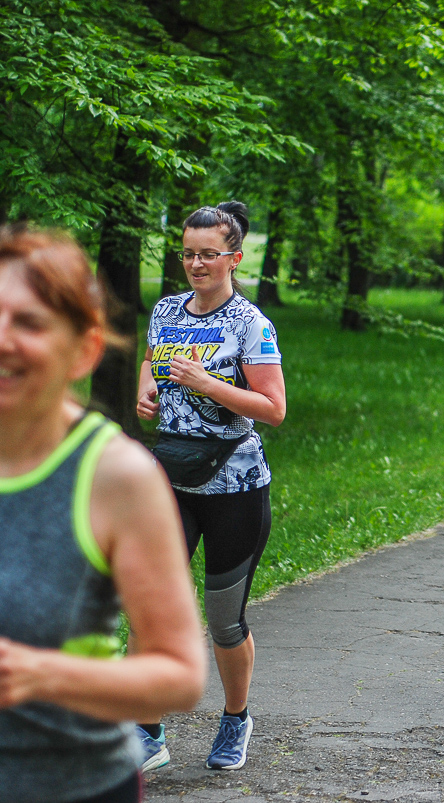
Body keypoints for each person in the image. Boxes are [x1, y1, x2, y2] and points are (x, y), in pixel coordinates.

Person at [0, 227, 206, 802]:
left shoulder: (117, 475)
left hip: (74, 786)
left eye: (29, 323)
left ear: (85, 350)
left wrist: (40, 675)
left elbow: (180, 674)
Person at [135, 202, 286, 772]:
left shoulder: (251, 324)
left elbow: (273, 409)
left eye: (208, 254)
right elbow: (152, 358)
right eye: (188, 254)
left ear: (234, 259)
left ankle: (235, 718)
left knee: (224, 619)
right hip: (170, 481)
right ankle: (147, 732)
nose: (196, 264)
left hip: (234, 486)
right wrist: (147, 389)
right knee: (151, 609)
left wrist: (207, 383)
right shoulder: (167, 309)